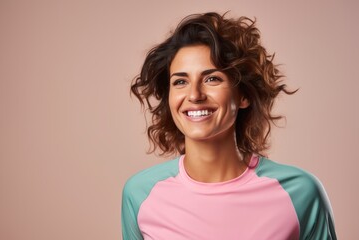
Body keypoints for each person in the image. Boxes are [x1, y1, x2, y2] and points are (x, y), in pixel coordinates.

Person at [121, 12, 336, 240]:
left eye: (212, 78)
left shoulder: (300, 193)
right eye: (180, 82)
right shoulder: (140, 194)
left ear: (243, 95)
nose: (194, 95)